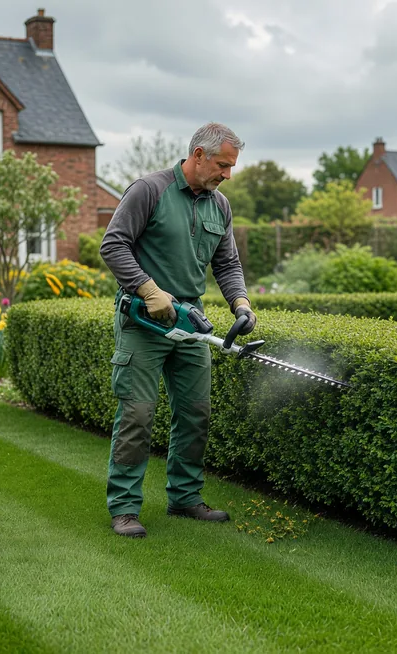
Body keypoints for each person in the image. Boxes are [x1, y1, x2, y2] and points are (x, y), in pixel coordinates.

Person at [98, 122, 256, 538]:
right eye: (223, 165)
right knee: (137, 414)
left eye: (232, 166)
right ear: (198, 156)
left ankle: (184, 498)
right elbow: (113, 244)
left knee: (195, 413)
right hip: (143, 322)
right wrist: (148, 288)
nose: (228, 175)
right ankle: (125, 508)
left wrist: (240, 302)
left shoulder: (219, 206)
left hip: (190, 324)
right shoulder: (149, 190)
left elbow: (227, 264)